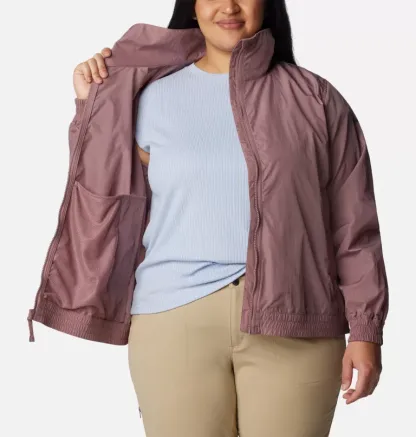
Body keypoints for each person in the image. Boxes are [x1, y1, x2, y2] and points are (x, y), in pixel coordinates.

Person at [57, 0, 388, 436]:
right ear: (192, 8)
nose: (229, 6)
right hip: (172, 319)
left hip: (296, 317)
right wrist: (92, 105)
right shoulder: (148, 98)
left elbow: (354, 225)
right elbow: (102, 197)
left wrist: (366, 330)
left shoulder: (316, 99)